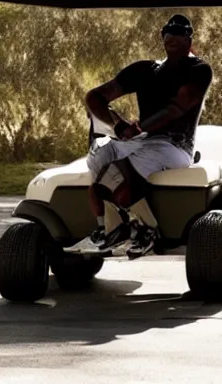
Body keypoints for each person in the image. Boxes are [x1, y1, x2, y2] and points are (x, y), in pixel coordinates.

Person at [65, 14, 213, 259]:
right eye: (169, 31)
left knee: (114, 175)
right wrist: (118, 124)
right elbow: (94, 97)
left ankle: (147, 232)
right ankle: (108, 230)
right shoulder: (145, 70)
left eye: (180, 32)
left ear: (189, 39)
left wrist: (138, 127)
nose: (173, 36)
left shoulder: (198, 70)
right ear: (161, 36)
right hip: (141, 140)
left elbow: (177, 107)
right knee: (101, 157)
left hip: (174, 146)